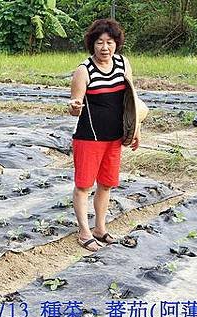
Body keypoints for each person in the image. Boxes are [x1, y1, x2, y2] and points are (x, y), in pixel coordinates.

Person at [68, 19, 140, 252]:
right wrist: (75, 106)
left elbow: (131, 101)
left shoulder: (122, 64)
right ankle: (84, 231)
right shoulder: (84, 70)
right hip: (90, 137)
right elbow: (74, 106)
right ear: (93, 44)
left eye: (109, 42)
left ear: (116, 44)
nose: (105, 47)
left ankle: (100, 227)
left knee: (106, 185)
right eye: (100, 42)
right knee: (83, 185)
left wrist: (136, 128)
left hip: (114, 137)